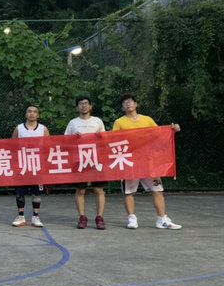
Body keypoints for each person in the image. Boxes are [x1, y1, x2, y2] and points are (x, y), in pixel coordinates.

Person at [112, 94, 182, 230]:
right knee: (129, 191)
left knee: (157, 189)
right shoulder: (119, 122)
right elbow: (113, 139)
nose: (128, 104)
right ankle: (132, 218)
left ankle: (162, 219)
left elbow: (159, 135)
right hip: (129, 161)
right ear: (122, 108)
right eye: (125, 103)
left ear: (136, 104)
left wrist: (171, 130)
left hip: (148, 161)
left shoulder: (147, 120)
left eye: (130, 101)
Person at [64, 96, 107, 230]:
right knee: (81, 190)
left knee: (98, 189)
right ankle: (82, 217)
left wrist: (100, 137)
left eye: (86, 103)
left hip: (96, 160)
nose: (83, 106)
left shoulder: (97, 121)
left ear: (90, 106)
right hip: (79, 160)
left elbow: (105, 140)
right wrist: (73, 138)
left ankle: (99, 217)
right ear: (77, 108)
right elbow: (64, 141)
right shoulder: (72, 123)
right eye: (81, 104)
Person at [11, 106, 50, 228]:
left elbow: (48, 147)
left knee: (36, 192)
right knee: (20, 192)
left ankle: (35, 217)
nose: (32, 114)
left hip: (37, 164)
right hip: (22, 164)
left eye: (34, 112)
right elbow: (12, 145)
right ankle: (20, 216)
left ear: (38, 115)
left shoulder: (43, 129)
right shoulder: (19, 128)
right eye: (29, 111)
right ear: (25, 114)